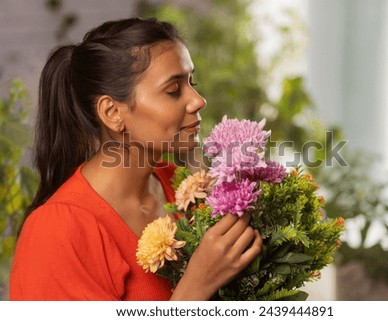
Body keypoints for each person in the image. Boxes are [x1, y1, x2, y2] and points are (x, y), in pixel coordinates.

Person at [9, 17, 262, 301]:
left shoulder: (188, 190)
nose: (198, 100)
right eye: (173, 90)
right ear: (113, 113)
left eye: (192, 82)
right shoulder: (58, 231)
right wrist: (197, 286)